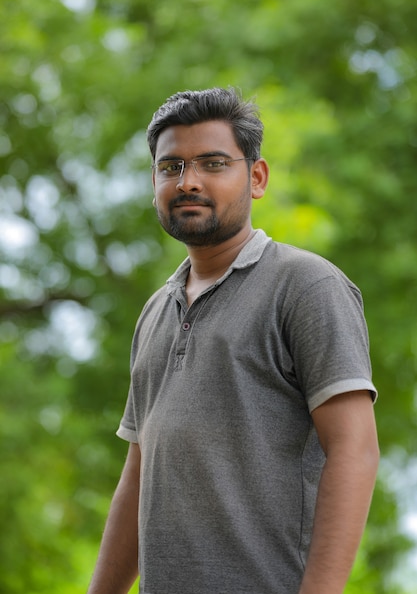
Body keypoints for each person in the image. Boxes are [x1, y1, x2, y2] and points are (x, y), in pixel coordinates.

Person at [87, 87, 379, 594]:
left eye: (213, 163)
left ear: (257, 177)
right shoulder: (156, 312)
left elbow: (354, 449)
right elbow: (139, 477)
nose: (188, 182)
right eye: (170, 167)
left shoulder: (306, 286)